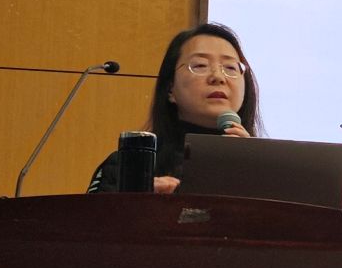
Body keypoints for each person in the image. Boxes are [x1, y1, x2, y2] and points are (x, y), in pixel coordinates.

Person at [89, 23, 260, 193]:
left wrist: (254, 169)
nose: (218, 77)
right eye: (200, 65)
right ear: (170, 88)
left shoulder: (262, 167)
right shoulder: (127, 165)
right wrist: (140, 201)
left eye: (230, 67)